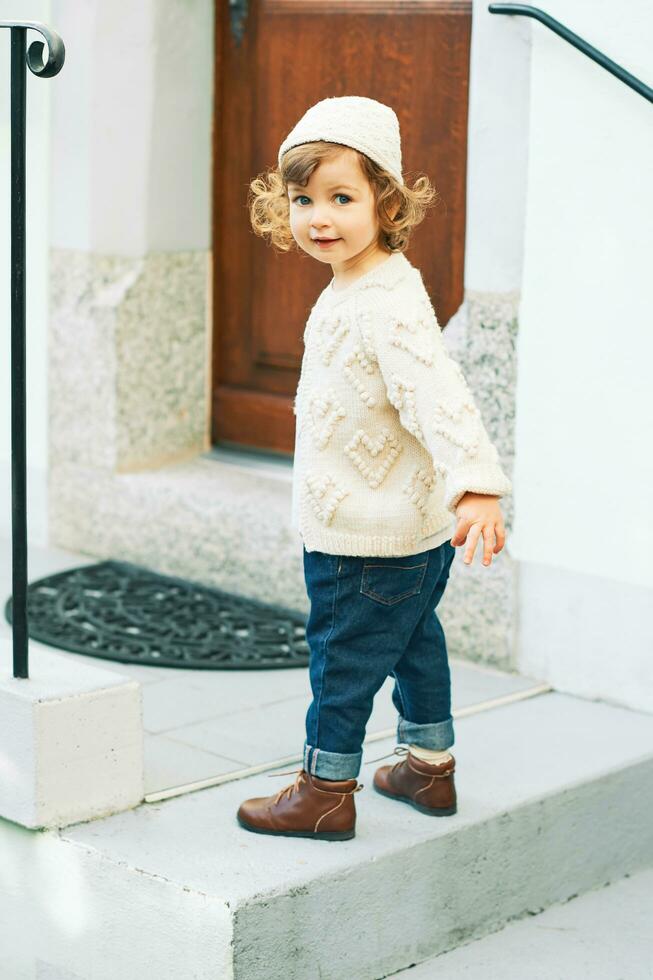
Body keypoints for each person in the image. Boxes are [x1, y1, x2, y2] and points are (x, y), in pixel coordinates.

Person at [237, 96, 512, 841]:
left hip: (362, 534)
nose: (318, 217)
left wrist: (476, 482)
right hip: (407, 526)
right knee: (415, 639)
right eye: (303, 199)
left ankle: (324, 789)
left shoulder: (381, 302)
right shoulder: (366, 284)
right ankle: (427, 765)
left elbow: (437, 394)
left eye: (341, 198)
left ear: (384, 202)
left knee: (342, 658)